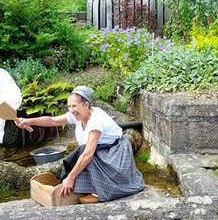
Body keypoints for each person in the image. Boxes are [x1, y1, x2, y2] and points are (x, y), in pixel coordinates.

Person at [17, 86, 145, 204]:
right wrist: (28, 121)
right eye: (69, 106)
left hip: (116, 155)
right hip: (102, 150)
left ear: (86, 105)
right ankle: (81, 187)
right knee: (80, 153)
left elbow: (88, 154)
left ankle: (100, 191)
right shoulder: (78, 114)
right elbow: (52, 120)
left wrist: (71, 178)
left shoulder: (96, 120)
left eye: (74, 106)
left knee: (85, 154)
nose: (71, 110)